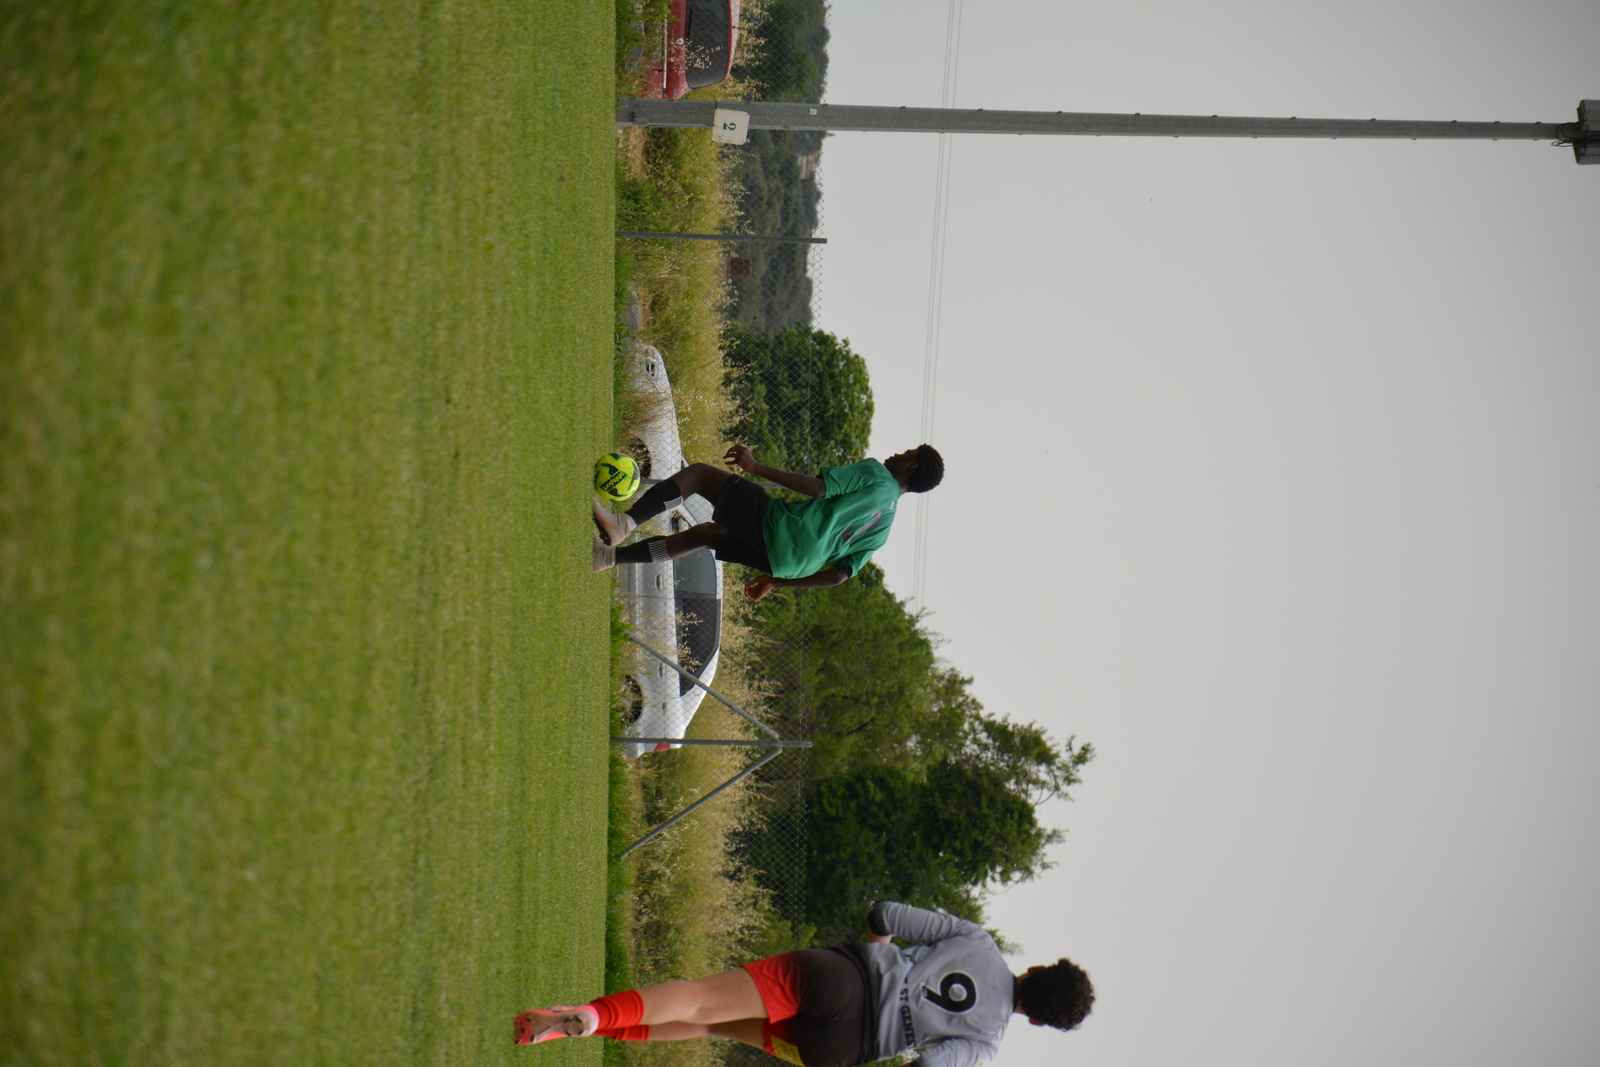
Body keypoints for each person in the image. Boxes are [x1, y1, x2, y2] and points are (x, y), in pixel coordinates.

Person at [513, 900, 1094, 1067]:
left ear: (1038, 969)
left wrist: (878, 956)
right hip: (839, 1050)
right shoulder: (986, 1044)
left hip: (838, 979)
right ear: (1039, 1020)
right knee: (710, 1027)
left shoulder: (979, 942)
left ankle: (591, 1016)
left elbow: (885, 913)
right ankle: (580, 1029)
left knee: (701, 999)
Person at [592, 443, 944, 601]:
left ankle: (623, 524)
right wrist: (776, 581)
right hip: (791, 564)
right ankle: (605, 558)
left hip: (784, 529)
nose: (897, 453)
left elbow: (820, 488)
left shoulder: (878, 474)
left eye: (906, 453)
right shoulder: (884, 530)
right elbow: (839, 576)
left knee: (698, 475)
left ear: (911, 465)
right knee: (707, 534)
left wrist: (756, 467)